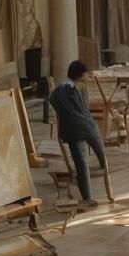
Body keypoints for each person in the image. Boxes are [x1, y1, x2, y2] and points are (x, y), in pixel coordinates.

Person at [49, 60, 112, 211]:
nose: (86, 80)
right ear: (80, 76)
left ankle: (92, 192)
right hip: (75, 129)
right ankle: (87, 197)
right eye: (85, 77)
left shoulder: (80, 89)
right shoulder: (65, 88)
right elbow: (54, 100)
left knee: (92, 158)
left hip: (83, 127)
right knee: (82, 162)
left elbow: (84, 109)